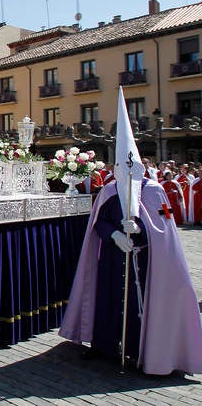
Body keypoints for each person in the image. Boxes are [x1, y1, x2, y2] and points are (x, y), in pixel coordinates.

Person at [60, 88, 202, 375]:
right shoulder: (109, 192)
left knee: (143, 309)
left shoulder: (156, 191)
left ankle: (143, 350)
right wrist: (114, 234)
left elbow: (167, 227)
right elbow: (98, 224)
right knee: (109, 302)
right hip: (113, 259)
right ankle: (104, 345)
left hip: (147, 262)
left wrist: (142, 229)